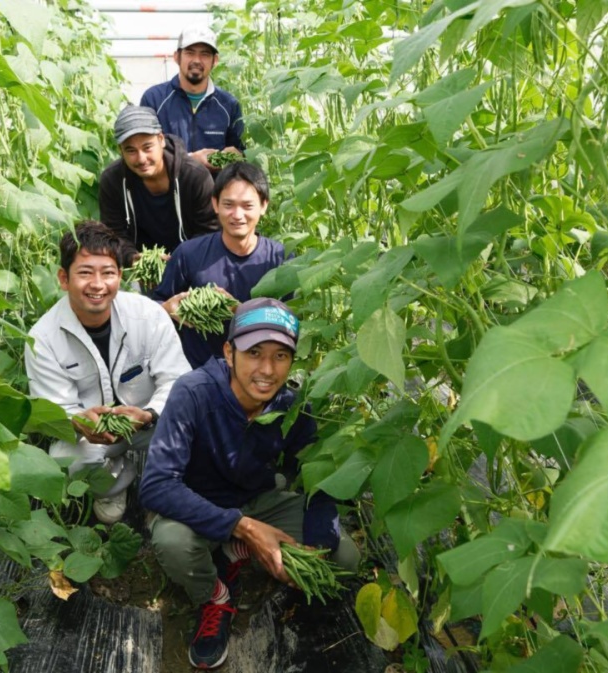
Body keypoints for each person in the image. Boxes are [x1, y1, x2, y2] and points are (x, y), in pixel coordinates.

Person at [138, 298, 359, 670]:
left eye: (281, 356)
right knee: (173, 544)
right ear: (229, 352)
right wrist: (244, 527)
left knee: (345, 558)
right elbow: (156, 486)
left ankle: (235, 553)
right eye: (254, 352)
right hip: (195, 506)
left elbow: (318, 478)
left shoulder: (291, 405)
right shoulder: (193, 393)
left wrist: (315, 548)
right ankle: (215, 596)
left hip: (258, 498)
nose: (267, 370)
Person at [25, 221, 191, 524]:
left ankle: (163, 488)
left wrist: (149, 414)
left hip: (147, 424)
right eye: (85, 273)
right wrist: (77, 420)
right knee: (66, 459)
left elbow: (176, 379)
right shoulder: (43, 338)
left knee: (191, 432)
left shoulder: (148, 314)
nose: (98, 284)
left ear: (120, 276)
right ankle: (116, 483)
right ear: (64, 278)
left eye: (108, 273)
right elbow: (54, 409)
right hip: (90, 434)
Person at [151, 161, 286, 368]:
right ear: (215, 204)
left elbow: (290, 322)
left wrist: (239, 311)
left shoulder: (280, 259)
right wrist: (166, 309)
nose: (237, 215)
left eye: (247, 206)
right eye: (228, 205)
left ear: (264, 206)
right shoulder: (189, 254)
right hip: (198, 374)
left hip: (260, 373)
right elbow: (153, 308)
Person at [98, 105, 219, 262]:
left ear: (161, 140)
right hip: (140, 268)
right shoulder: (112, 180)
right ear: (121, 151)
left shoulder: (194, 176)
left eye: (147, 147)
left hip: (191, 263)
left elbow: (209, 231)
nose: (141, 159)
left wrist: (179, 260)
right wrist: (134, 258)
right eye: (131, 151)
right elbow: (113, 233)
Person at [140, 25, 244, 171]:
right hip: (170, 191)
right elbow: (144, 152)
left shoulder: (229, 105)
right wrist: (191, 160)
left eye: (205, 54)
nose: (197, 60)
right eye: (190, 53)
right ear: (177, 57)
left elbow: (239, 154)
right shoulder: (154, 100)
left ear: (215, 60)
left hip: (213, 192)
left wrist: (221, 158)